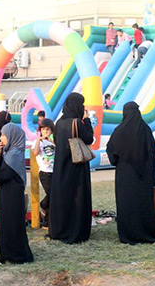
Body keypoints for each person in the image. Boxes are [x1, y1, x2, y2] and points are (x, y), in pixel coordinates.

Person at [106, 102, 155, 244]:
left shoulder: (120, 131)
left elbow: (111, 151)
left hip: (125, 175)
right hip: (143, 175)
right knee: (144, 203)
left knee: (127, 203)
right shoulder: (146, 130)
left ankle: (129, 233)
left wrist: (119, 161)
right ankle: (146, 231)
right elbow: (152, 153)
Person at [49, 92, 94, 244]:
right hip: (76, 167)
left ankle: (60, 229)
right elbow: (89, 138)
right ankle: (76, 230)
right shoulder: (77, 123)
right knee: (77, 198)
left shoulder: (59, 123)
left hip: (61, 166)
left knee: (63, 197)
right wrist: (87, 120)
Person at [0, 123, 34, 264]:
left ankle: (14, 256)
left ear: (12, 136)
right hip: (10, 194)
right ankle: (11, 255)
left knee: (11, 224)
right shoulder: (11, 153)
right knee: (10, 224)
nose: (1, 138)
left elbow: (0, 176)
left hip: (11, 195)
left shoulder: (13, 155)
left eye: (3, 135)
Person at [32, 119, 56, 229]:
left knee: (53, 196)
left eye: (48, 129)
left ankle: (48, 220)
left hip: (54, 172)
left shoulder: (52, 142)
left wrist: (53, 142)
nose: (45, 131)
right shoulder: (38, 142)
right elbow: (35, 152)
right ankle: (44, 210)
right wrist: (39, 139)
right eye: (43, 129)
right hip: (45, 173)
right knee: (51, 195)